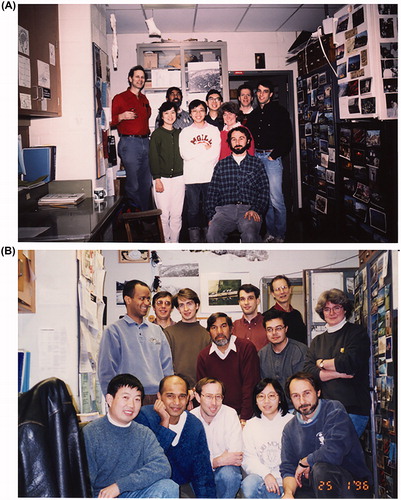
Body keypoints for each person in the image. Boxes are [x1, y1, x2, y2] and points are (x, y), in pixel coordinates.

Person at [82, 374, 178, 498]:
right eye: (125, 397)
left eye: (137, 399)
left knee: (168, 487)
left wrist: (120, 486)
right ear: (110, 400)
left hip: (135, 493)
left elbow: (162, 467)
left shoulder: (144, 433)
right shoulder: (91, 433)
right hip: (103, 496)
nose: (131, 405)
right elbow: (83, 482)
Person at [280, 372, 372, 498]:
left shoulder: (334, 410)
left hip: (353, 485)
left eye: (307, 393)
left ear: (318, 392)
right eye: (296, 396)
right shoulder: (289, 429)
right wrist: (288, 493)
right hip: (314, 487)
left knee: (321, 470)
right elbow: (288, 468)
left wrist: (305, 461)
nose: (302, 401)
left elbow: (334, 452)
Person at [135, 375, 217, 498]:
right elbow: (148, 462)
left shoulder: (194, 425)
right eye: (170, 396)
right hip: (150, 489)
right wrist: (164, 424)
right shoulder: (144, 417)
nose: (177, 402)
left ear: (188, 398)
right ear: (159, 396)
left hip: (182, 488)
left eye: (182, 396)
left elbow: (202, 474)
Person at [303, 288, 371, 436]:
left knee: (338, 455)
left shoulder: (356, 333)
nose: (331, 313)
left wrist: (320, 363)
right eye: (327, 309)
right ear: (322, 313)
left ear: (345, 309)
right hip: (325, 411)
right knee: (331, 455)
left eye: (336, 308)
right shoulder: (317, 341)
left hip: (353, 410)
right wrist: (338, 374)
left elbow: (349, 363)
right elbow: (309, 372)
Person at [97, 279, 173, 404]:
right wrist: (111, 400)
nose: (147, 303)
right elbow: (106, 371)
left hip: (157, 399)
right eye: (142, 298)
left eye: (148, 299)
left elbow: (167, 368)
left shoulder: (157, 330)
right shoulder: (114, 331)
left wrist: (168, 395)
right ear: (128, 300)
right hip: (128, 399)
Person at [247, 79, 293, 242]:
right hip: (256, 159)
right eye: (259, 91)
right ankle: (271, 232)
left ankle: (280, 234)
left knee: (276, 199)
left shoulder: (280, 112)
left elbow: (288, 139)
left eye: (265, 91)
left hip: (271, 159)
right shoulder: (253, 115)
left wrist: (273, 155)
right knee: (265, 199)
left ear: (271, 94)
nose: (261, 94)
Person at [206, 126, 269, 243]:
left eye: (241, 138)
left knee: (250, 234)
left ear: (248, 141)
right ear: (229, 142)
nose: (237, 142)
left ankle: (253, 260)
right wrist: (211, 216)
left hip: (248, 210)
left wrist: (256, 209)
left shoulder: (256, 164)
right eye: (233, 139)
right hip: (224, 211)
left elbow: (264, 191)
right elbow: (212, 192)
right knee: (212, 233)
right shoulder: (221, 165)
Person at [197, 312, 260, 422]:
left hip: (244, 415)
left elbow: (250, 386)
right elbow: (202, 392)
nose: (219, 332)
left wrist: (244, 417)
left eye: (223, 326)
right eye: (214, 328)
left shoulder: (246, 348)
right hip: (215, 416)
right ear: (209, 332)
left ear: (231, 329)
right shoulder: (204, 356)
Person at [241, 378, 293, 499]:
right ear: (256, 400)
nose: (266, 401)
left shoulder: (291, 422)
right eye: (261, 396)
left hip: (286, 481)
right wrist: (266, 475)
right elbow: (248, 459)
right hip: (262, 478)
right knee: (248, 485)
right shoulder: (251, 425)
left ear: (280, 398)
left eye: (271, 396)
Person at [191, 377, 243, 498]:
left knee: (229, 475)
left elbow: (235, 455)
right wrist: (217, 461)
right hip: (200, 473)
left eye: (218, 397)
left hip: (226, 469)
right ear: (198, 397)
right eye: (208, 396)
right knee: (198, 475)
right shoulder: (191, 418)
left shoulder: (230, 414)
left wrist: (208, 461)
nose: (214, 403)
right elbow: (192, 461)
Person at [179, 99, 221, 242]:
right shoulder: (185, 132)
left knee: (209, 209)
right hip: (192, 178)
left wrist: (195, 154)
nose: (198, 114)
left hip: (209, 176)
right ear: (190, 114)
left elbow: (215, 155)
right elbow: (185, 154)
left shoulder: (214, 130)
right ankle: (196, 242)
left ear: (206, 112)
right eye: (195, 111)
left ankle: (210, 239)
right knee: (193, 210)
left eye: (201, 110)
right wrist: (203, 148)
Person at [111, 65, 152, 211]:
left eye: (142, 77)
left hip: (145, 142)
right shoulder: (120, 98)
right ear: (130, 79)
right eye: (137, 77)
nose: (140, 79)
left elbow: (147, 116)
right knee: (133, 184)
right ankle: (134, 218)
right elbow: (109, 121)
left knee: (146, 182)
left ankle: (146, 217)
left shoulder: (144, 98)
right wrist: (121, 116)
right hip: (130, 143)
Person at [149, 101, 185, 242]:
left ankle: (174, 243)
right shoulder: (157, 134)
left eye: (172, 112)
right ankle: (166, 243)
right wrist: (157, 179)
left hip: (179, 178)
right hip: (161, 179)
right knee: (163, 215)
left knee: (176, 215)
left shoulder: (180, 133)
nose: (170, 116)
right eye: (166, 113)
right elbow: (153, 158)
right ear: (162, 116)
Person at [258, 309, 307, 409]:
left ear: (286, 329)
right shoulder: (262, 354)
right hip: (272, 408)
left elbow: (303, 386)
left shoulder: (300, 351)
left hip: (296, 407)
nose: (274, 333)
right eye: (269, 329)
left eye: (278, 328)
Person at [164, 288, 210, 387]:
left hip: (200, 390)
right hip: (176, 389)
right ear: (178, 309)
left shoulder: (207, 335)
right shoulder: (169, 333)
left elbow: (209, 368)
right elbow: (166, 366)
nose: (186, 309)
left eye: (189, 303)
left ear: (197, 305)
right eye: (181, 305)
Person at [268, 275, 307, 344]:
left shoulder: (296, 314)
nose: (282, 292)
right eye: (277, 289)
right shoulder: (268, 316)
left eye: (284, 287)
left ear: (290, 290)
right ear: (273, 294)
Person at [232, 283, 268, 351]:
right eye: (242, 299)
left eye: (250, 298)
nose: (246, 302)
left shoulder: (268, 325)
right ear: (239, 302)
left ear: (257, 301)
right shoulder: (233, 327)